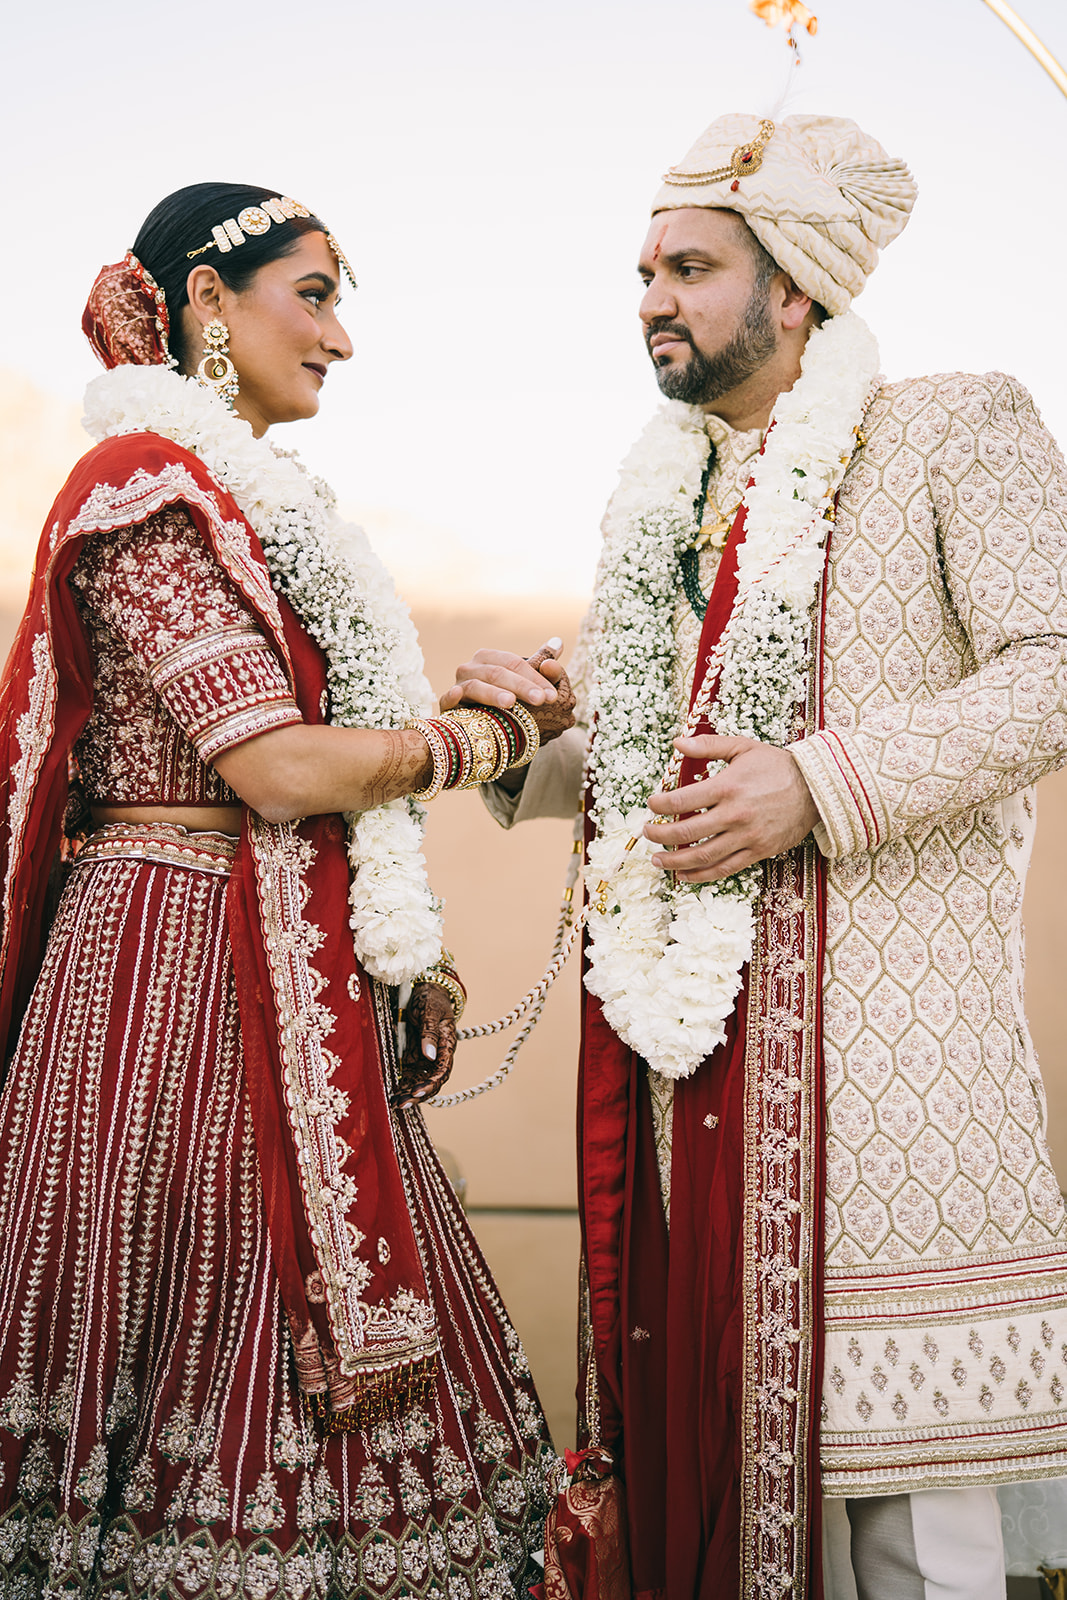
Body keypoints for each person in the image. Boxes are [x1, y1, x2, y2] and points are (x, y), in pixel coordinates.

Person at [444, 113, 1067, 1599]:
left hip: (896, 1102)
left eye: (692, 267)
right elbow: (662, 768)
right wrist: (522, 749)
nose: (652, 296)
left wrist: (820, 782)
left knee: (924, 1552)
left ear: (797, 290)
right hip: (701, 1094)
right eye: (645, 270)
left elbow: (1056, 663)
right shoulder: (663, 501)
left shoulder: (951, 427)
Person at [0, 182, 575, 1599]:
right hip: (168, 979)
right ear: (206, 300)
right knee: (195, 1326)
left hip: (283, 960)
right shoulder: (144, 490)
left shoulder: (252, 506)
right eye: (312, 295)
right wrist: (491, 738)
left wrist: (404, 953)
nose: (341, 340)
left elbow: (314, 760)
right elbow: (269, 764)